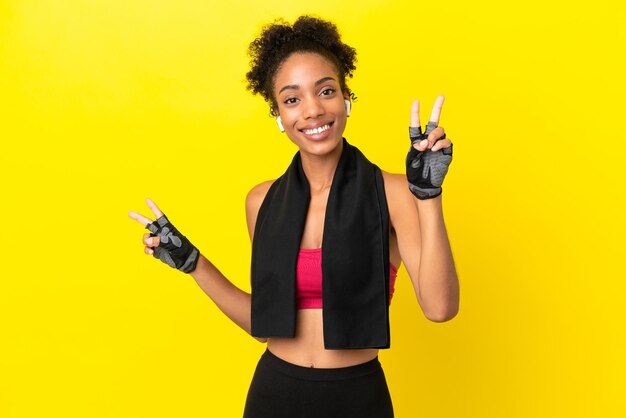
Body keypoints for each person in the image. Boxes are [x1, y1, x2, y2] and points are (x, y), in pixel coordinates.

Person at [128, 15, 459, 418]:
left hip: (357, 397)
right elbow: (263, 323)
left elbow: (440, 309)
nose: (313, 110)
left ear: (346, 98)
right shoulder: (262, 201)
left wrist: (428, 195)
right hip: (275, 394)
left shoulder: (391, 192)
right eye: (292, 99)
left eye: (326, 91)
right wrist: (192, 263)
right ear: (278, 116)